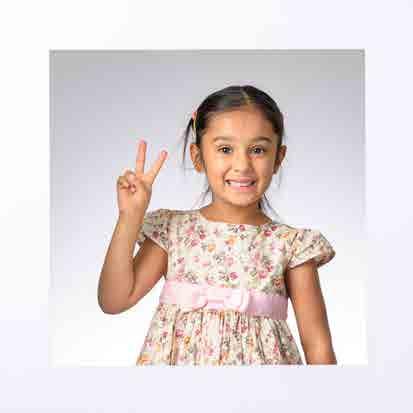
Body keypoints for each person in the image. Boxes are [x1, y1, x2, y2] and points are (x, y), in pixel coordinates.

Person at [98, 85, 337, 366]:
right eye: (225, 149)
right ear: (198, 157)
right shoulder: (173, 231)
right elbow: (114, 301)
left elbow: (318, 346)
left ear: (278, 159)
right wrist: (130, 216)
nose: (242, 165)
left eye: (258, 150)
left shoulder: (293, 246)